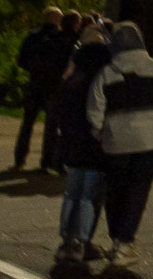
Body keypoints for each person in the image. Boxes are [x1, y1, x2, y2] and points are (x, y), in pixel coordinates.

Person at [89, 21, 153, 264]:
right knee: (138, 190)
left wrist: (100, 133)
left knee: (115, 191)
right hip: (150, 139)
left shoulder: (106, 73)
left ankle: (116, 238)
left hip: (116, 140)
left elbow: (95, 110)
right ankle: (125, 245)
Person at [46, 27, 114, 265]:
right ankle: (81, 242)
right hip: (95, 147)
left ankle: (67, 239)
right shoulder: (100, 83)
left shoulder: (72, 80)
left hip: (72, 145)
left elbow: (58, 112)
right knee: (88, 196)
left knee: (72, 194)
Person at [10, 7, 71, 171]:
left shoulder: (33, 37)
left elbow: (22, 59)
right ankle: (46, 161)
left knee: (27, 123)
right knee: (51, 126)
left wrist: (33, 69)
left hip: (35, 83)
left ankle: (20, 159)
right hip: (52, 86)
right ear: (58, 19)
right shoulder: (60, 39)